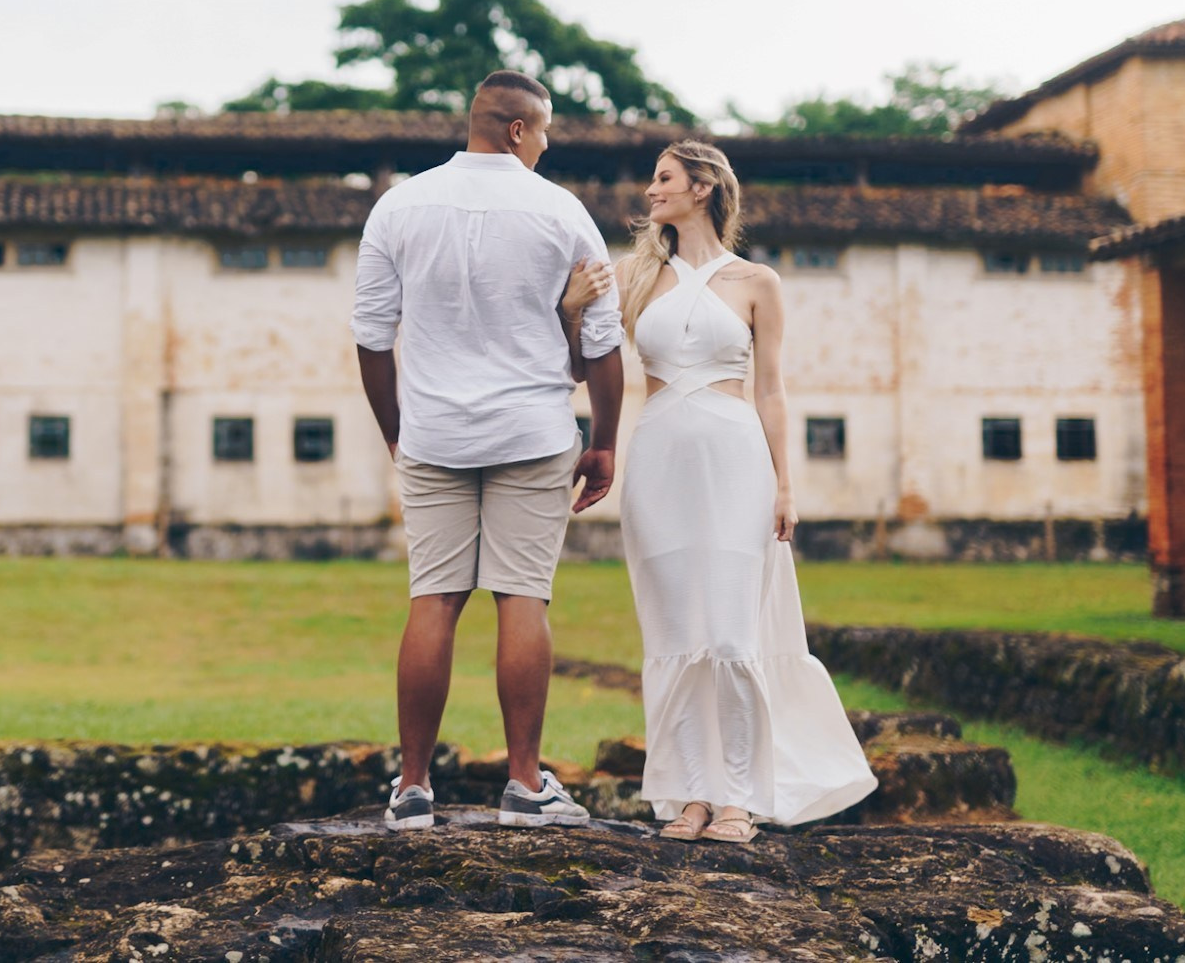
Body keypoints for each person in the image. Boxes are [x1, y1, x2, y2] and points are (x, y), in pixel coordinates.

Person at [559, 139, 875, 842]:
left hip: (737, 460)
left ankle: (739, 796)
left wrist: (786, 483)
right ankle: (688, 795)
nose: (650, 190)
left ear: (702, 186)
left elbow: (771, 388)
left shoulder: (757, 282)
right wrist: (574, 311)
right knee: (676, 631)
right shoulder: (635, 278)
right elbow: (582, 364)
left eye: (663, 178)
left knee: (732, 632)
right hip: (661, 459)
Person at [351, 69, 626, 831]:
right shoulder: (561, 211)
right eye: (542, 132)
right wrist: (602, 444)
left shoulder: (399, 205)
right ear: (517, 129)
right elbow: (603, 345)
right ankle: (525, 782)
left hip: (434, 432)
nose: (544, 145)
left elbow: (373, 337)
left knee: (433, 597)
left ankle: (411, 787)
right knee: (521, 596)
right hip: (533, 432)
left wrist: (396, 431)